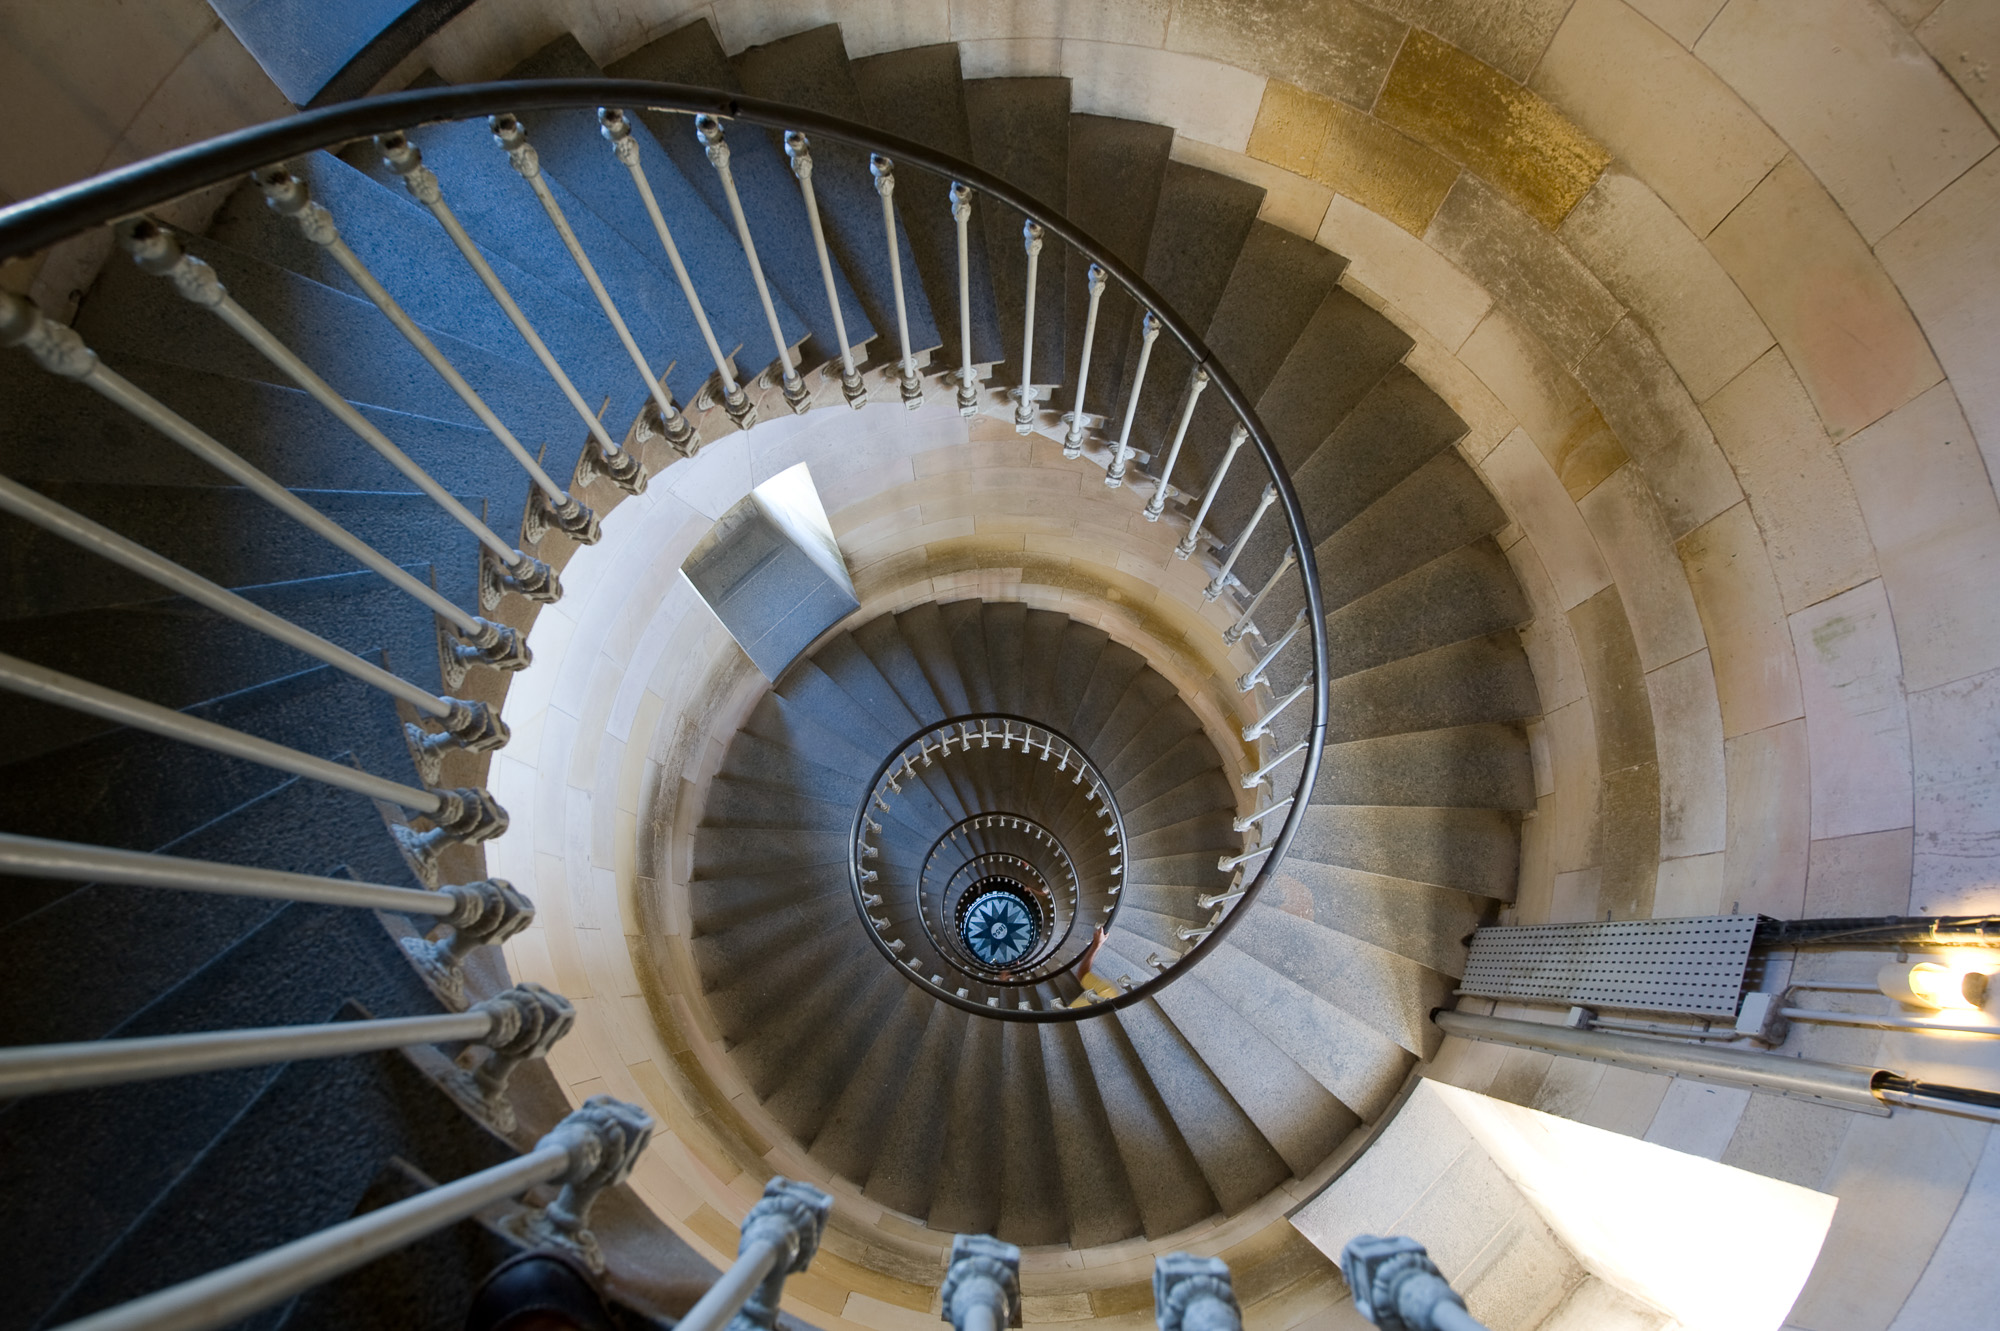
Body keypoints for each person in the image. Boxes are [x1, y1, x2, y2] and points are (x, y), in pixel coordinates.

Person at [1067, 925, 1123, 1007]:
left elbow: (1082, 974)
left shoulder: (1109, 993)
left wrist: (1096, 944)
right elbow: (1082, 975)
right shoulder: (1108, 995)